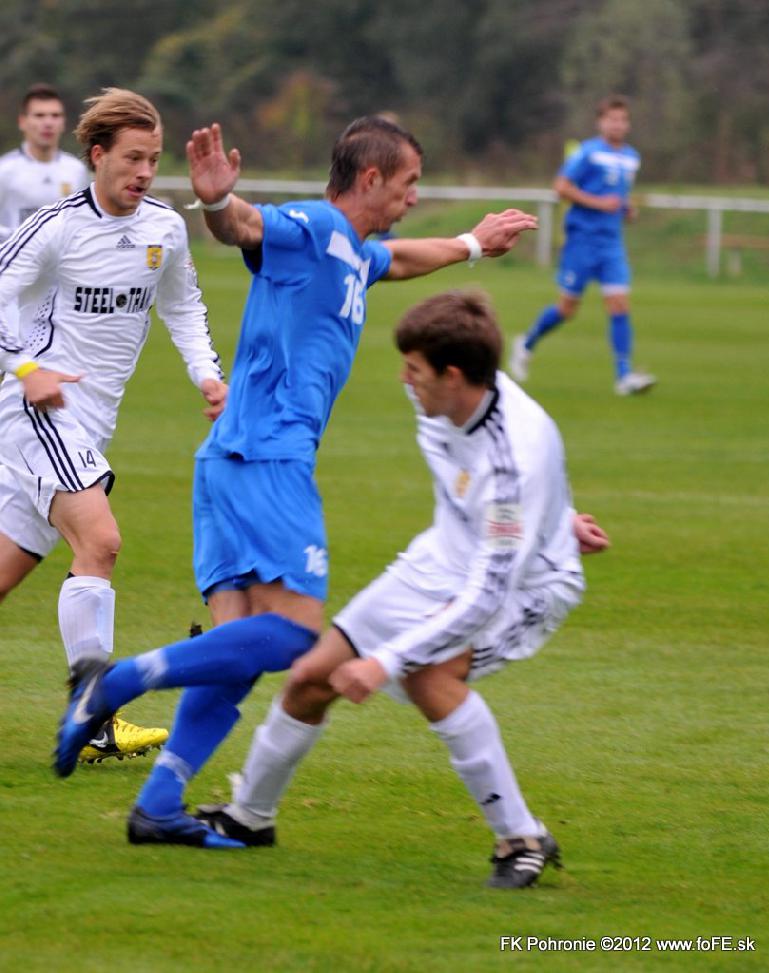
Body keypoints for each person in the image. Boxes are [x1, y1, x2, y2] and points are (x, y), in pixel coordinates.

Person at [55, 115, 538, 846]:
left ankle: (160, 805)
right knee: (292, 639)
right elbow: (248, 227)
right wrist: (219, 204)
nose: (413, 198)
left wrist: (475, 243)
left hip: (229, 458)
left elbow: (402, 258)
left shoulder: (354, 252)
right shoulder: (312, 226)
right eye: (408, 183)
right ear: (371, 178)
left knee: (235, 653)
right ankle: (116, 681)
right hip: (268, 457)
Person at [56, 289, 609, 880]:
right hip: (442, 557)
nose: (403, 379)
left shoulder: (512, 457)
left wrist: (384, 661)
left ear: (454, 376)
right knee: (310, 676)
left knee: (429, 675)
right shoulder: (449, 398)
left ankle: (520, 838)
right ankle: (250, 816)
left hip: (523, 583)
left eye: (416, 370)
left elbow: (489, 590)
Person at [0, 88, 226, 764]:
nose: (145, 172)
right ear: (96, 156)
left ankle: (93, 716)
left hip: (89, 425)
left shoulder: (164, 228)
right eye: (132, 158)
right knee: (100, 540)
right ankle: (95, 714)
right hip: (36, 411)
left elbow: (184, 308)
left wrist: (207, 375)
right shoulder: (56, 227)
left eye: (153, 160)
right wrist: (26, 368)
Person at [510, 95, 656, 396]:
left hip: (611, 243)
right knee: (567, 309)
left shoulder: (631, 157)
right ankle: (525, 344)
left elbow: (617, 194)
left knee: (619, 303)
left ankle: (624, 376)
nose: (617, 124)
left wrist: (626, 209)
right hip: (581, 240)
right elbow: (561, 186)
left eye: (622, 119)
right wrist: (599, 203)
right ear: (600, 122)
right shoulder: (588, 153)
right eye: (611, 119)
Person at [0, 84, 89, 243]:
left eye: (55, 116)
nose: (48, 123)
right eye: (39, 115)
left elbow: (83, 224)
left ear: (63, 122)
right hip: (15, 265)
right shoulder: (4, 170)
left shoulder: (76, 170)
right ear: (22, 122)